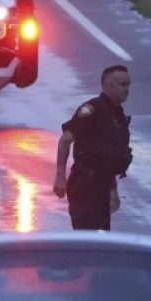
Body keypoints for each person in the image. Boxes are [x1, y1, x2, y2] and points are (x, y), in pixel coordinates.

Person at [52, 65, 133, 230]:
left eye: (128, 84)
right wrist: (60, 177)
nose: (127, 89)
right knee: (86, 240)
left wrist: (113, 190)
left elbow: (107, 159)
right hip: (85, 186)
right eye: (122, 85)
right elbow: (65, 140)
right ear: (107, 86)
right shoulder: (92, 110)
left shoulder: (117, 114)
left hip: (102, 186)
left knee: (101, 239)